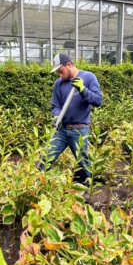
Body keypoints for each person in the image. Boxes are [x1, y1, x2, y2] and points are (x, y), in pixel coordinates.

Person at [39, 53, 102, 201]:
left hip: (79, 130)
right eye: (57, 73)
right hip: (61, 130)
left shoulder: (88, 78)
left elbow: (98, 100)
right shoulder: (58, 84)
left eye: (60, 71)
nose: (59, 75)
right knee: (46, 157)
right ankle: (38, 186)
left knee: (83, 162)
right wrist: (56, 116)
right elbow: (55, 105)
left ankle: (86, 192)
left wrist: (83, 90)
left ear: (68, 65)